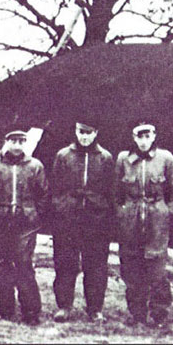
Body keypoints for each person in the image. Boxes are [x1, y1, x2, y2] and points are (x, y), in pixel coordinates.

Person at [49, 119, 115, 323]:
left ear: (96, 133)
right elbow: (55, 188)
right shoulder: (63, 156)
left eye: (89, 132)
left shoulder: (105, 158)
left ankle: (95, 309)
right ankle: (64, 306)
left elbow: (110, 191)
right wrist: (62, 207)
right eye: (81, 132)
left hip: (95, 220)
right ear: (75, 132)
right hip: (68, 220)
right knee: (65, 263)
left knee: (95, 265)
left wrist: (102, 211)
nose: (84, 137)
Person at [115, 120, 173, 327]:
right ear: (134, 138)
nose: (143, 141)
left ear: (153, 137)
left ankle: (159, 314)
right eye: (139, 137)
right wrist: (122, 212)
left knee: (157, 268)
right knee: (131, 266)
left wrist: (167, 212)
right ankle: (136, 313)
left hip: (156, 218)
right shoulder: (124, 159)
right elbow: (116, 191)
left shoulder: (166, 158)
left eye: (147, 136)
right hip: (131, 218)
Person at [0, 129, 48, 325]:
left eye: (21, 141)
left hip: (25, 224)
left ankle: (31, 312)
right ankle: (5, 309)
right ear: (6, 141)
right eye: (13, 140)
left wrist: (34, 216)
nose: (17, 145)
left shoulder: (35, 166)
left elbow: (43, 195)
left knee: (24, 264)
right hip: (0, 221)